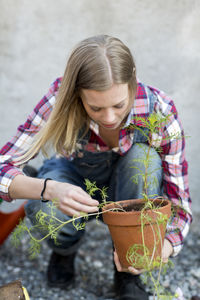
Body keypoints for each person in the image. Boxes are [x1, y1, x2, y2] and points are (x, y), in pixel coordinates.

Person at [0, 35, 192, 300]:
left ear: (132, 80)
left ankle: (127, 269)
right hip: (74, 178)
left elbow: (179, 201)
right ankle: (64, 249)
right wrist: (49, 189)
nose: (110, 117)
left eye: (119, 105)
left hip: (129, 190)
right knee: (43, 208)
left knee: (143, 160)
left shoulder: (158, 110)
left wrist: (166, 247)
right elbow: (3, 167)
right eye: (96, 108)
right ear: (77, 93)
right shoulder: (60, 98)